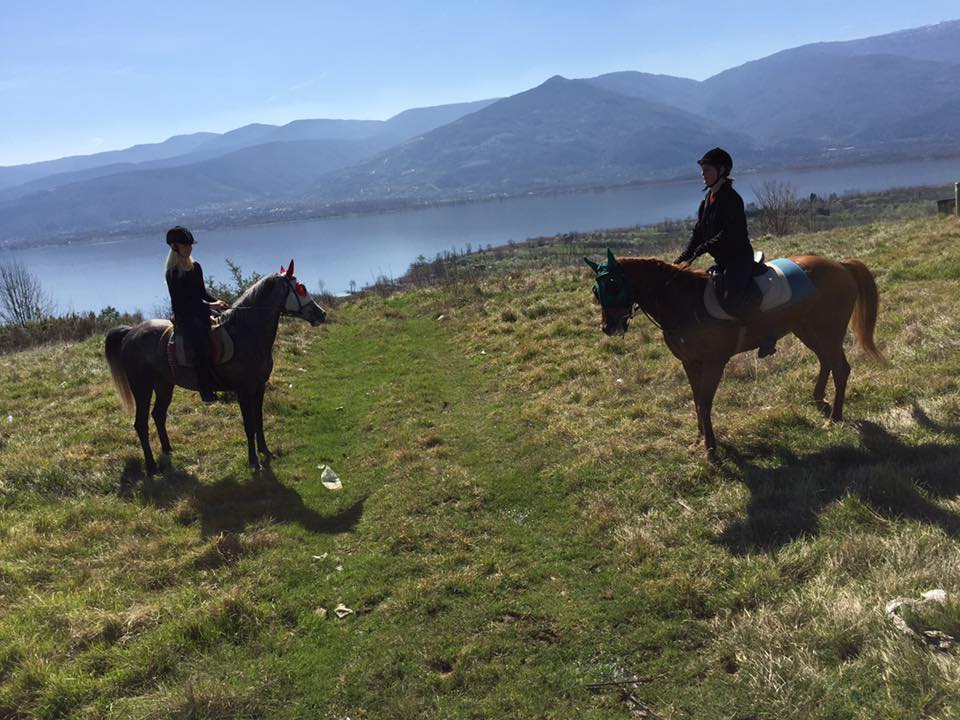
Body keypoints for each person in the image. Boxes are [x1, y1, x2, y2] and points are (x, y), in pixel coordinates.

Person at [674, 148, 776, 358]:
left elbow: (727, 234)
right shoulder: (706, 202)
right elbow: (698, 233)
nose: (703, 174)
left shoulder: (732, 199)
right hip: (722, 262)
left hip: (739, 260)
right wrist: (683, 257)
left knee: (732, 299)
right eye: (702, 170)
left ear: (722, 170)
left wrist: (703, 249)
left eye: (707, 170)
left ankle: (767, 334)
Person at [164, 226, 228, 402]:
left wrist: (219, 303)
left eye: (190, 245)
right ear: (175, 247)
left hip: (199, 311)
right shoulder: (172, 273)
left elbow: (202, 293)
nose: (189, 248)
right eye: (185, 245)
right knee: (201, 346)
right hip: (186, 317)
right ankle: (205, 391)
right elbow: (182, 303)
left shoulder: (196, 267)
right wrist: (209, 306)